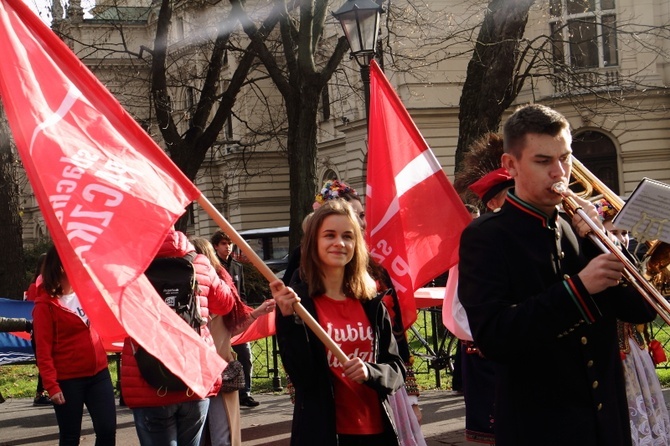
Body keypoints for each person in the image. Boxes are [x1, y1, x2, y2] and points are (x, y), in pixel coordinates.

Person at [458, 103, 656, 446]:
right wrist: (579, 289)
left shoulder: (576, 228)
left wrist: (601, 242)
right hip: (540, 426)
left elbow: (642, 310)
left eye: (565, 158)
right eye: (543, 161)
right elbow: (495, 336)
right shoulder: (487, 236)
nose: (559, 172)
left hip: (605, 424)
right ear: (511, 165)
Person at [271, 199, 405, 446]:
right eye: (329, 235)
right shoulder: (298, 305)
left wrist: (370, 372)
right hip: (323, 432)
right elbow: (302, 379)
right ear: (314, 243)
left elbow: (397, 369)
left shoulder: (372, 302)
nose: (340, 243)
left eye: (348, 236)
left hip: (376, 431)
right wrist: (289, 321)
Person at [121, 229, 236, 446]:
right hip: (193, 375)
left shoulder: (132, 266)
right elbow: (225, 304)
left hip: (147, 377)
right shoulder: (200, 263)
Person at [446, 132, 514, 444]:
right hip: (487, 352)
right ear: (496, 201)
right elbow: (457, 310)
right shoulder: (479, 240)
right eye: (511, 193)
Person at [595, 198, 670, 445]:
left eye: (625, 232)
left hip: (635, 349)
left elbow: (647, 312)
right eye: (614, 232)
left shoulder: (628, 261)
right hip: (615, 354)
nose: (622, 238)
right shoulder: (601, 263)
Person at [190, 236, 275, 446]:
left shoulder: (223, 289)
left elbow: (232, 328)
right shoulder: (183, 292)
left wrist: (256, 313)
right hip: (195, 375)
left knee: (219, 435)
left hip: (217, 373)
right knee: (202, 437)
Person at [32, 246, 116, 446]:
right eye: (76, 263)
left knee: (107, 430)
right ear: (61, 268)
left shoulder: (87, 292)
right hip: (68, 380)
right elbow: (43, 350)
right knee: (70, 437)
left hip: (99, 374)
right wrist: (51, 386)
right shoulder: (45, 306)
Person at [210, 230, 258, 408]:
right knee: (220, 357)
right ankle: (220, 391)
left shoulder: (237, 266)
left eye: (229, 243)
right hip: (219, 319)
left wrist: (244, 313)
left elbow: (242, 293)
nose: (227, 247)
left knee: (245, 355)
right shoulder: (212, 266)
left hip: (236, 318)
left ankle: (245, 393)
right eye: (223, 243)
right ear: (216, 246)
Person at [25, 252, 51, 406]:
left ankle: (41, 392)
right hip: (39, 329)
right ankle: (41, 393)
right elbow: (30, 307)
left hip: (44, 328)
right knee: (44, 359)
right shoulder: (35, 287)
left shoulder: (47, 284)